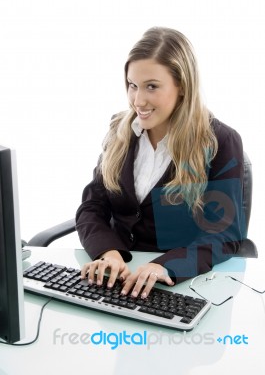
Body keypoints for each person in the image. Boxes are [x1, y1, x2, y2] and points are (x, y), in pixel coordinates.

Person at [76, 27, 245, 299]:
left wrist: (164, 266)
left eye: (152, 86)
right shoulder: (120, 131)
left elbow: (225, 236)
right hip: (115, 281)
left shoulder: (219, 141)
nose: (138, 100)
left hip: (176, 286)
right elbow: (92, 206)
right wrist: (109, 253)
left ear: (182, 87)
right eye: (132, 85)